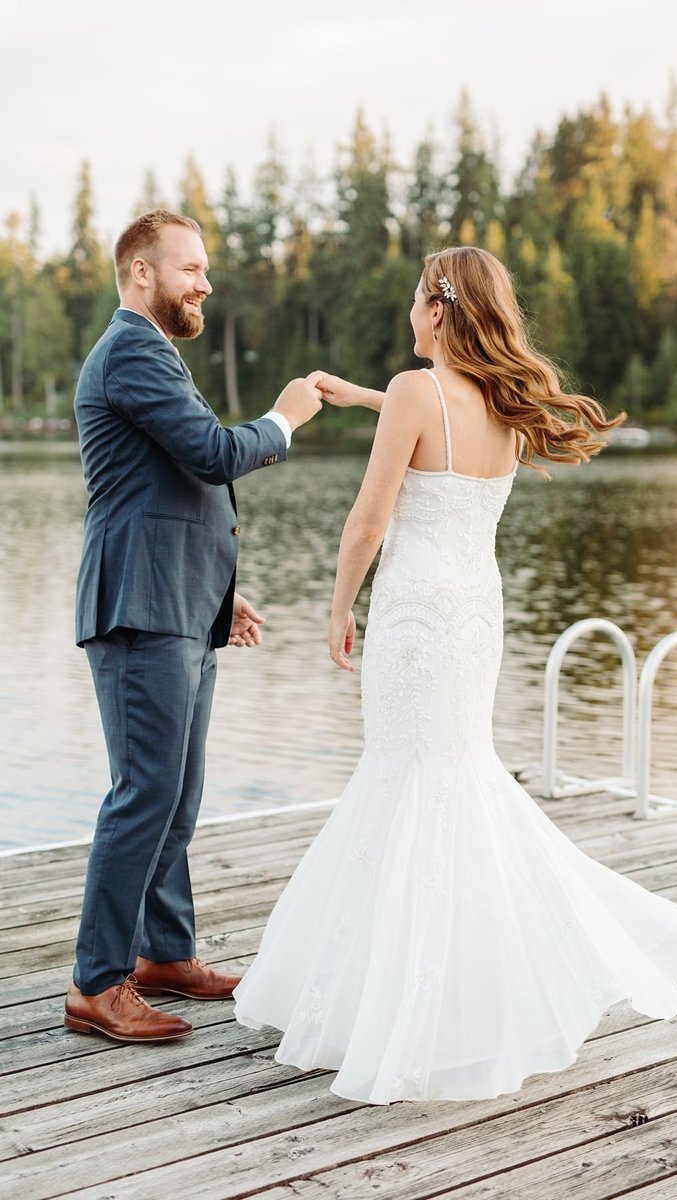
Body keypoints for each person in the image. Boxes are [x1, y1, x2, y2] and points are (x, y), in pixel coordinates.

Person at [233, 246, 677, 1104]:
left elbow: (367, 519)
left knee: (404, 780)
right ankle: (461, 997)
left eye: (418, 300)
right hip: (477, 616)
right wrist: (362, 395)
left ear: (441, 311)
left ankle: (399, 1009)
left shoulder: (419, 393)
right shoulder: (504, 402)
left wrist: (340, 608)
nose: (410, 315)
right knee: (454, 777)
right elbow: (435, 422)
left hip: (415, 615)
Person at [65, 209, 323, 1044]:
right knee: (142, 794)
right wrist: (283, 419)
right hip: (140, 610)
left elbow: (170, 491)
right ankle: (96, 982)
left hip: (178, 603)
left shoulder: (153, 354)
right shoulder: (134, 348)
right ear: (141, 271)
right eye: (191, 268)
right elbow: (212, 454)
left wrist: (220, 593)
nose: (205, 283)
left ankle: (163, 954)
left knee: (176, 795)